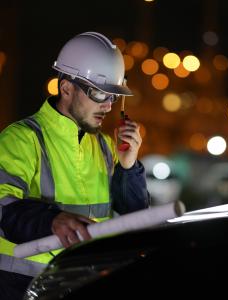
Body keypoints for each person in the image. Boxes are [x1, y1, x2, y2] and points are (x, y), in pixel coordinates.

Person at [0, 31, 150, 299]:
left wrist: (129, 168)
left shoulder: (104, 146)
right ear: (66, 87)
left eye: (113, 96)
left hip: (84, 283)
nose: (107, 105)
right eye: (98, 93)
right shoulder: (21, 138)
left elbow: (134, 217)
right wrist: (52, 220)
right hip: (21, 287)